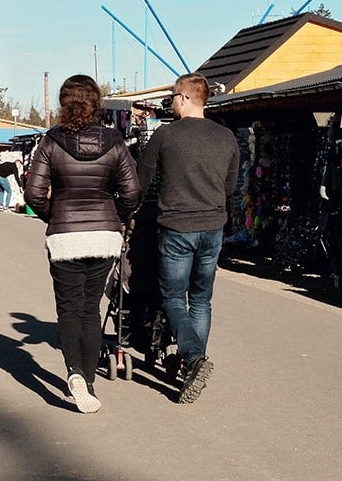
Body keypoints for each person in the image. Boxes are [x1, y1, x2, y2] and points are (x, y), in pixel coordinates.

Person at [24, 74, 142, 413]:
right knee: (91, 309)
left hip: (64, 238)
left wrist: (54, 215)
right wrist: (114, 216)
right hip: (103, 237)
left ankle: (74, 371)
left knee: (69, 308)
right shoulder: (115, 141)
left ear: (64, 103)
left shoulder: (51, 141)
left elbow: (33, 193)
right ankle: (86, 381)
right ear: (96, 103)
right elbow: (132, 193)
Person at [137, 72, 239, 404]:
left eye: (171, 97)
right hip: (213, 227)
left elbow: (140, 180)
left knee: (172, 298)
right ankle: (192, 366)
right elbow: (230, 188)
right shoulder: (227, 138)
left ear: (184, 98)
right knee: (201, 300)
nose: (170, 103)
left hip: (177, 226)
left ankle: (194, 358)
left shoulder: (166, 135)